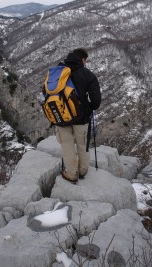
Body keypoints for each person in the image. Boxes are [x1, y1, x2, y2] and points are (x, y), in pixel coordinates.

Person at [56, 48, 101, 184]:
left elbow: (46, 91)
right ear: (83, 60)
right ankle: (82, 170)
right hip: (81, 118)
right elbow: (96, 101)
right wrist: (88, 107)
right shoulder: (88, 75)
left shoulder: (58, 71)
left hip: (61, 116)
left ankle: (71, 173)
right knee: (82, 144)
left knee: (67, 144)